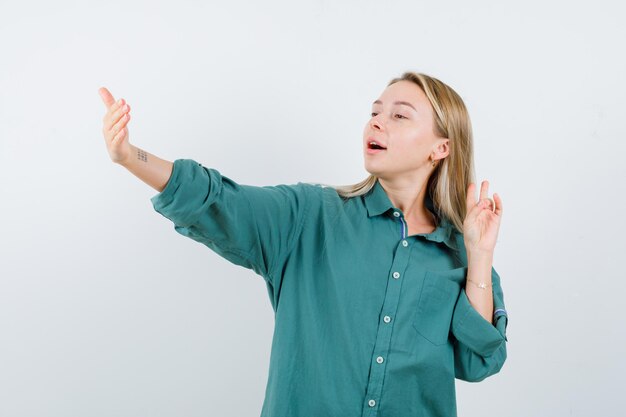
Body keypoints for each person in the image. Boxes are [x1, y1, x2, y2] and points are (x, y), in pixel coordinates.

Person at [98, 71, 509, 417]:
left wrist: (480, 254)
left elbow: (479, 362)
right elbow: (219, 201)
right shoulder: (308, 216)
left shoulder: (462, 251)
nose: (377, 123)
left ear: (441, 148)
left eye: (400, 116)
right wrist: (132, 157)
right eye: (374, 112)